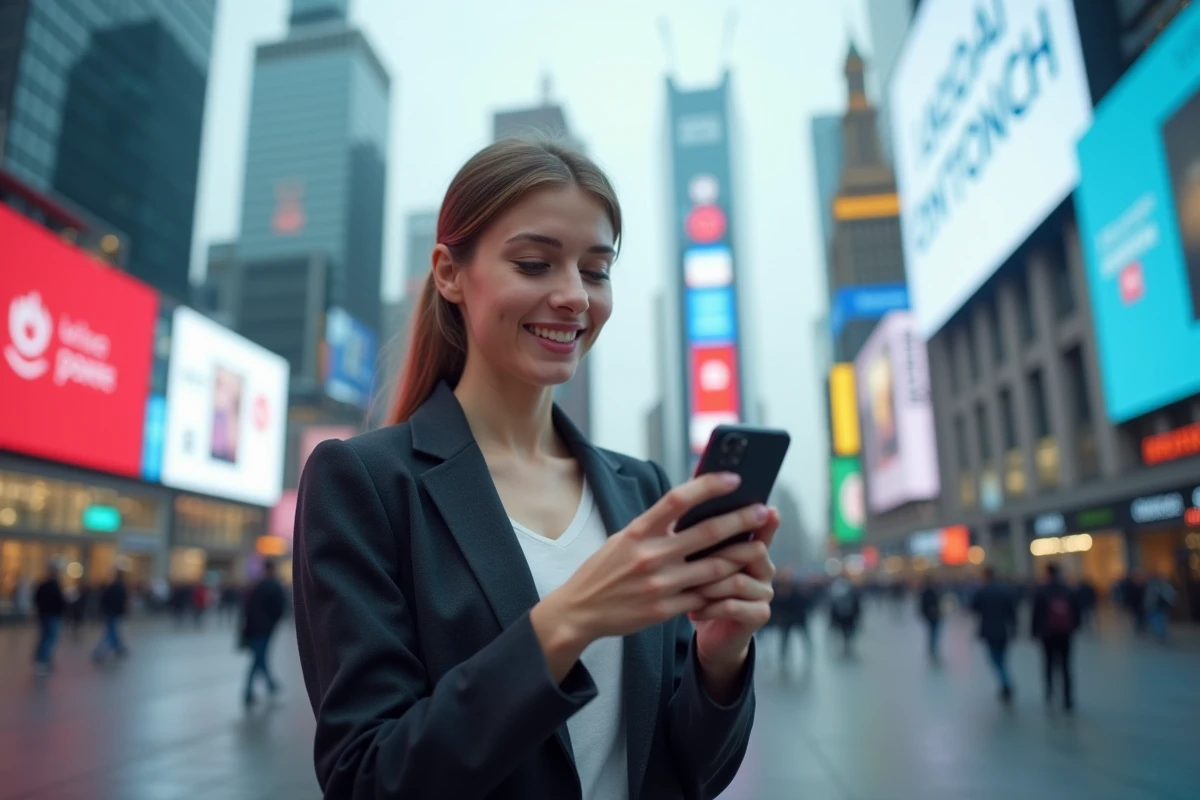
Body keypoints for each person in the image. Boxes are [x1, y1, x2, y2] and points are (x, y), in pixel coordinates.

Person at [292, 139, 775, 800]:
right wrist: (569, 619)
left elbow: (684, 772)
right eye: (534, 263)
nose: (575, 296)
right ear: (448, 272)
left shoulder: (644, 492)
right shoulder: (365, 484)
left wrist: (720, 660)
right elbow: (368, 777)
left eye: (596, 270)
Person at [1031, 563, 1079, 712]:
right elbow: (1077, 611)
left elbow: (1036, 613)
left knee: (1048, 664)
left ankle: (1050, 694)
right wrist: (1073, 628)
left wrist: (1034, 632)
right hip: (1065, 633)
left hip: (1047, 634)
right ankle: (1068, 698)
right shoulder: (1068, 590)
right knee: (1066, 666)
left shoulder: (1042, 590)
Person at [241, 560, 286, 706]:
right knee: (258, 659)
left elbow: (247, 608)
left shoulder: (257, 586)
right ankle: (253, 690)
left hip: (254, 628)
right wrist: (272, 623)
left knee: (259, 657)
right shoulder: (274, 586)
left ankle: (269, 684)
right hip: (265, 629)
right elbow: (279, 609)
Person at [971, 567, 1017, 704]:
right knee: (1001, 658)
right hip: (1003, 629)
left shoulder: (982, 591)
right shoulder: (1004, 590)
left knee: (995, 659)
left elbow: (974, 607)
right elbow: (1011, 611)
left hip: (989, 630)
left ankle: (1005, 682)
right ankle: (1006, 680)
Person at [32, 561, 66, 676]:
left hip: (45, 615)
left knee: (44, 637)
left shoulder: (43, 585)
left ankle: (40, 659)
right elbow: (59, 601)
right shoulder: (54, 586)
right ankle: (43, 661)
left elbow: (36, 599)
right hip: (52, 616)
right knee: (49, 639)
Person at [92, 569, 129, 663]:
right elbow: (122, 601)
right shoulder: (119, 587)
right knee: (111, 634)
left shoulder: (112, 587)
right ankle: (99, 653)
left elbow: (104, 599)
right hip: (113, 612)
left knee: (113, 632)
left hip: (110, 612)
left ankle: (119, 648)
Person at [828, 573, 861, 657]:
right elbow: (856, 604)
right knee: (847, 633)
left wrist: (832, 620)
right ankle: (847, 647)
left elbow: (832, 606)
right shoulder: (850, 590)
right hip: (849, 615)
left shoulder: (835, 590)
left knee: (843, 632)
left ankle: (846, 647)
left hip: (841, 616)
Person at [918, 577, 943, 662]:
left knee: (933, 633)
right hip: (932, 616)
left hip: (934, 615)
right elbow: (925, 605)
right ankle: (932, 650)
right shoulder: (928, 593)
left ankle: (933, 649)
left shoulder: (932, 592)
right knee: (933, 633)